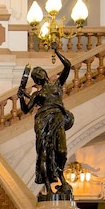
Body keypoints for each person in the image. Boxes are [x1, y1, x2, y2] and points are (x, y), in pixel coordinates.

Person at [17, 50, 74, 199]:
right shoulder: (36, 95)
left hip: (57, 118)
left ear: (45, 74)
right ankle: (48, 187)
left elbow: (67, 65)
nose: (38, 75)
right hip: (42, 120)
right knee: (44, 153)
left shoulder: (57, 85)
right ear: (36, 80)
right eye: (36, 75)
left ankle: (61, 179)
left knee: (61, 151)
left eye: (39, 72)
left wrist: (56, 51)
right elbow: (25, 110)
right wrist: (21, 97)